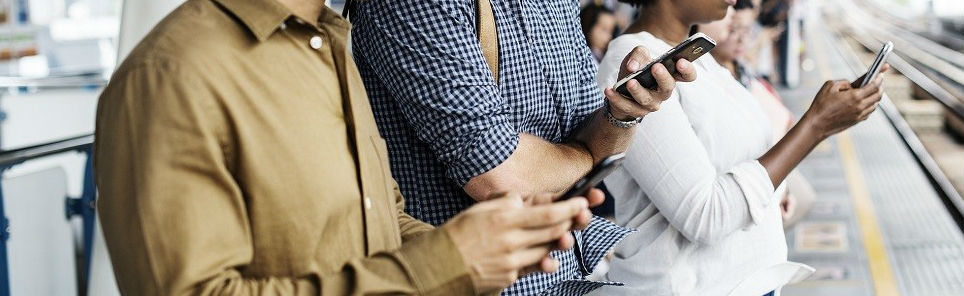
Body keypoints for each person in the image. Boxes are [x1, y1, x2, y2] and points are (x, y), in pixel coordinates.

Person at [93, 0, 605, 294]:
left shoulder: (328, 43)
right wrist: (445, 264)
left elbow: (381, 222)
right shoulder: (169, 77)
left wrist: (494, 244)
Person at [348, 0, 696, 294]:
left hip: (573, 273)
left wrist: (622, 114)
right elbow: (503, 179)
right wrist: (588, 151)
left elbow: (603, 142)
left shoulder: (554, 3)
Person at [592, 0, 888, 294]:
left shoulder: (699, 57)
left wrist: (776, 189)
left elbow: (750, 157)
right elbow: (705, 215)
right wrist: (816, 126)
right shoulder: (632, 64)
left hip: (746, 280)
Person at [699, 0, 815, 227]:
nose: (742, 38)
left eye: (747, 30)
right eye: (734, 29)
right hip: (747, 176)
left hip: (760, 167)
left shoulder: (741, 70)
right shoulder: (707, 77)